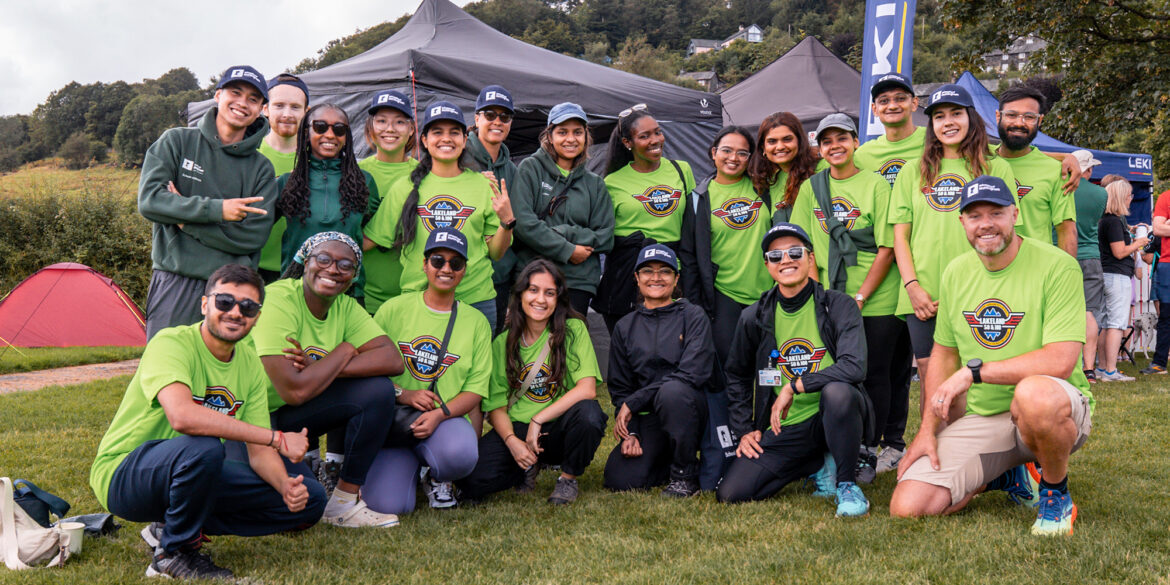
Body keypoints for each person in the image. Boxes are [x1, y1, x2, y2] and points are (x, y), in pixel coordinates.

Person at [90, 264, 324, 580]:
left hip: (194, 472)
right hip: (125, 474)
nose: (235, 312)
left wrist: (285, 486)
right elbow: (183, 417)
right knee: (204, 447)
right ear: (205, 304)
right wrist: (276, 438)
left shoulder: (249, 365)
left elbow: (258, 452)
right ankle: (174, 554)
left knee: (311, 498)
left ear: (257, 316)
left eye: (248, 306)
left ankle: (172, 526)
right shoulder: (171, 342)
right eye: (224, 301)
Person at [890, 175, 1093, 537]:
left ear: (1015, 214)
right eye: (974, 215)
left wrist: (974, 374)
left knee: (1033, 394)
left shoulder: (1058, 265)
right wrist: (926, 431)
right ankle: (1005, 474)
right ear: (962, 222)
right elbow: (943, 354)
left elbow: (1060, 360)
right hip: (986, 416)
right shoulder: (956, 272)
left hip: (1052, 406)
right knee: (909, 508)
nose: (986, 224)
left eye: (996, 213)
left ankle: (1054, 491)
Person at [716, 223, 871, 518]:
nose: (786, 260)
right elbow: (736, 374)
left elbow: (854, 366)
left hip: (834, 414)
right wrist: (745, 430)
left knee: (837, 392)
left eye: (795, 252)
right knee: (731, 493)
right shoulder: (754, 316)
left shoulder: (839, 306)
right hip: (786, 426)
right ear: (767, 265)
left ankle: (847, 483)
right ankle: (815, 463)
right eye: (776, 256)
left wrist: (794, 385)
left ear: (810, 259)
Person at [250, 232, 403, 528]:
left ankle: (344, 504)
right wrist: (345, 351)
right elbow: (294, 389)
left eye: (345, 265)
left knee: (377, 391)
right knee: (305, 503)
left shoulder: (345, 307)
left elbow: (391, 359)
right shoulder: (279, 299)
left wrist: (323, 366)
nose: (333, 269)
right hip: (252, 419)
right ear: (305, 262)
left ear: (354, 276)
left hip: (291, 414)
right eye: (324, 259)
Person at [790, 114, 910, 482]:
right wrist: (819, 295)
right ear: (819, 148)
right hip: (830, 297)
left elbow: (887, 247)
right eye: (827, 141)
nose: (835, 146)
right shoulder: (813, 188)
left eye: (842, 138)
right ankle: (835, 443)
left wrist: (859, 296)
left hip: (877, 297)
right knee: (834, 374)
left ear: (855, 142)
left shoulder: (876, 184)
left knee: (874, 373)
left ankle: (868, 449)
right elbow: (802, 244)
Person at [888, 84, 1017, 396]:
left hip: (980, 288)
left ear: (971, 117)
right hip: (924, 297)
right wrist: (912, 287)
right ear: (931, 125)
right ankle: (935, 443)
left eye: (956, 114)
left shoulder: (995, 166)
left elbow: (1008, 233)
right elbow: (900, 237)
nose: (948, 122)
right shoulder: (912, 171)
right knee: (934, 383)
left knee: (980, 379)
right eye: (939, 116)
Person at [138, 65, 278, 339]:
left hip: (232, 291)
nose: (242, 103)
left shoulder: (262, 169)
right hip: (176, 280)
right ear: (217, 96)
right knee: (165, 370)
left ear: (261, 108)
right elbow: (151, 201)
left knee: (222, 378)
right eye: (235, 93)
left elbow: (252, 237)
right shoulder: (177, 141)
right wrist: (219, 210)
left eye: (253, 99)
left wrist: (183, 219)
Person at [456, 259, 608, 505]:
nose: (541, 299)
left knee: (589, 415)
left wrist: (539, 419)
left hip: (559, 427)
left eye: (550, 293)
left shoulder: (573, 330)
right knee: (470, 480)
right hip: (518, 427)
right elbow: (496, 406)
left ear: (558, 298)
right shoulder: (502, 344)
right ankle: (525, 467)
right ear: (520, 294)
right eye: (533, 290)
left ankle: (567, 478)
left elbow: (587, 389)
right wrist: (512, 442)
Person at [364, 227, 491, 513]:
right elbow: (367, 371)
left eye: (455, 263)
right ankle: (405, 468)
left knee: (460, 454)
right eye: (437, 260)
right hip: (396, 420)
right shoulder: (392, 310)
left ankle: (437, 476)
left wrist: (438, 415)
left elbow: (476, 389)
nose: (446, 268)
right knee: (387, 505)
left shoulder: (476, 322)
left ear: (464, 270)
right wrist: (403, 393)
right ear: (424, 265)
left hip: (445, 422)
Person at [363, 100, 515, 332]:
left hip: (475, 300)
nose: (446, 138)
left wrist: (507, 222)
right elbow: (371, 239)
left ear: (465, 140)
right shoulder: (404, 187)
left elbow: (496, 252)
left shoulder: (484, 186)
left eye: (454, 133)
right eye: (437, 132)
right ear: (424, 140)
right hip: (418, 301)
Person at [602, 244, 714, 497]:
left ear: (676, 279)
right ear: (637, 278)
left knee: (672, 392)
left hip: (689, 409)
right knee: (619, 479)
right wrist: (631, 433)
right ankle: (665, 459)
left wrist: (637, 399)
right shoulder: (625, 326)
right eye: (647, 271)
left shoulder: (693, 316)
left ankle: (684, 474)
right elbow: (621, 388)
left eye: (664, 271)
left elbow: (693, 373)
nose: (656, 278)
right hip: (648, 417)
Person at [681, 126, 775, 367]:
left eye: (742, 153)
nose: (734, 158)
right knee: (730, 367)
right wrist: (695, 307)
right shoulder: (698, 198)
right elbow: (690, 255)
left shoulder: (765, 189)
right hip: (724, 296)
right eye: (727, 150)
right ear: (714, 153)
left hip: (768, 293)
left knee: (768, 368)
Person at [595, 104, 696, 330]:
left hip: (672, 276)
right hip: (628, 278)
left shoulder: (682, 170)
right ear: (627, 143)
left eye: (657, 132)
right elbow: (602, 234)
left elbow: (691, 224)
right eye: (644, 136)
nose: (655, 140)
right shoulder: (612, 182)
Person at [510, 102, 615, 316]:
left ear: (586, 136)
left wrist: (563, 233)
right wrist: (568, 249)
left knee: (570, 345)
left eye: (578, 132)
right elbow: (523, 223)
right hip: (533, 275)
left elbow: (605, 237)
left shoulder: (595, 183)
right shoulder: (530, 168)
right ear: (550, 135)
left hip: (578, 281)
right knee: (530, 345)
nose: (570, 139)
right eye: (562, 132)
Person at [276, 104, 378, 305]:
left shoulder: (364, 182)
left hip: (348, 292)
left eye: (339, 129)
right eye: (321, 127)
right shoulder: (286, 183)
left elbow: (367, 231)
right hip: (295, 291)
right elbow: (255, 230)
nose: (330, 135)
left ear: (347, 136)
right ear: (306, 133)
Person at [994, 85, 1077, 255]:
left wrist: (1068, 277)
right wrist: (1065, 155)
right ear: (998, 116)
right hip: (982, 273)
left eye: (1029, 117)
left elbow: (1066, 231)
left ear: (1039, 121)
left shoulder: (1056, 171)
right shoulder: (977, 158)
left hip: (1036, 274)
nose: (1019, 123)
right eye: (1011, 115)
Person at [359, 89, 418, 315]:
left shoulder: (425, 175)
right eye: (381, 121)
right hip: (363, 296)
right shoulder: (356, 173)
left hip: (410, 297)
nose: (390, 129)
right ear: (370, 127)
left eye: (399, 122)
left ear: (411, 129)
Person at [466, 85, 520, 330]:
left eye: (504, 116)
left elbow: (519, 224)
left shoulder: (512, 170)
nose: (497, 121)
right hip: (461, 277)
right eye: (490, 115)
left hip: (499, 280)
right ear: (477, 118)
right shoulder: (458, 157)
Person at [258, 74, 310, 283]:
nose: (287, 114)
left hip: (303, 273)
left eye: (295, 107)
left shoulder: (318, 159)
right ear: (265, 109)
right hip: (252, 268)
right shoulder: (248, 154)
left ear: (307, 113)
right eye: (279, 105)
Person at [1095, 178, 1145, 382]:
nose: (1131, 199)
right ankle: (1110, 370)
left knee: (1106, 323)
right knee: (1116, 324)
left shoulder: (1105, 220)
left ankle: (1102, 367)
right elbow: (1119, 252)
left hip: (1106, 274)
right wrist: (1138, 243)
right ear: (1121, 197)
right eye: (1129, 195)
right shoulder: (1114, 221)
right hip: (1116, 276)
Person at [1069, 150, 1108, 382]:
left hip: (1062, 252)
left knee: (1061, 311)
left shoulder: (1061, 188)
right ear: (1089, 170)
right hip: (1091, 255)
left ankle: (1067, 364)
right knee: (1089, 312)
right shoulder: (1101, 193)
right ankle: (1089, 368)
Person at [854, 73, 925, 188]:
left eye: (900, 98)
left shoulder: (934, 141)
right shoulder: (862, 156)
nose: (892, 106)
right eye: (884, 101)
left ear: (914, 103)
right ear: (875, 109)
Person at [747, 112, 819, 224]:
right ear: (763, 148)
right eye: (772, 141)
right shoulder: (768, 182)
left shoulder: (823, 169)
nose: (780, 147)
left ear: (800, 142)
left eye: (787, 139)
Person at [1143, 186, 1170, 375]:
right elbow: (1158, 228)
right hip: (1168, 264)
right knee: (1166, 316)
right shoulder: (1166, 198)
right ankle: (1159, 363)